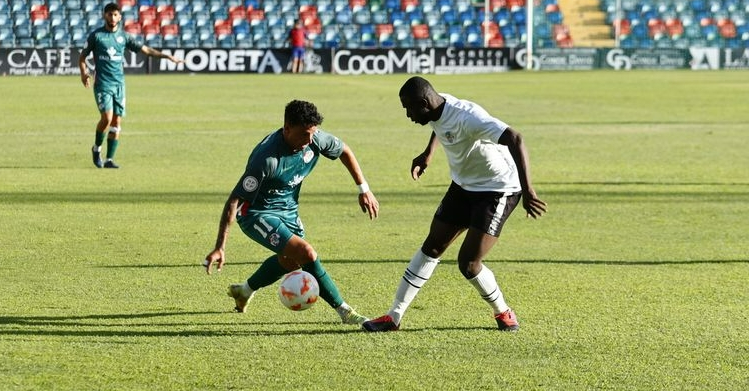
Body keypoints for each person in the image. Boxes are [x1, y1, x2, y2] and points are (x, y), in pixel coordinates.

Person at [362, 77, 546, 333]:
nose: (408, 115)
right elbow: (439, 125)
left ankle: (503, 311)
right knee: (431, 247)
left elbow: (515, 138)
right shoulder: (438, 105)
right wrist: (428, 153)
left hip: (497, 189)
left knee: (468, 264)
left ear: (424, 103)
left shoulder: (468, 117)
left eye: (409, 108)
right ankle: (394, 316)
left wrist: (528, 190)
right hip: (463, 186)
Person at [203, 100, 379, 326]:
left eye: (312, 134)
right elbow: (234, 201)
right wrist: (220, 246)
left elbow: (344, 150)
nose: (309, 141)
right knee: (306, 253)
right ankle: (345, 312)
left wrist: (364, 189)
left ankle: (244, 291)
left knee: (291, 261)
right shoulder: (266, 159)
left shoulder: (314, 139)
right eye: (304, 134)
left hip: (288, 210)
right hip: (256, 212)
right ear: (287, 128)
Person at [79, 3, 183, 169]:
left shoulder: (124, 37)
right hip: (103, 84)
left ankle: (109, 160)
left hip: (119, 84)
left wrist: (167, 56)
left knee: (116, 122)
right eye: (109, 14)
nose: (112, 18)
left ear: (120, 17)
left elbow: (146, 50)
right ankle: (96, 148)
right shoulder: (96, 36)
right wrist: (84, 73)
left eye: (115, 14)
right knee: (106, 118)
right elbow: (82, 57)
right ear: (104, 15)